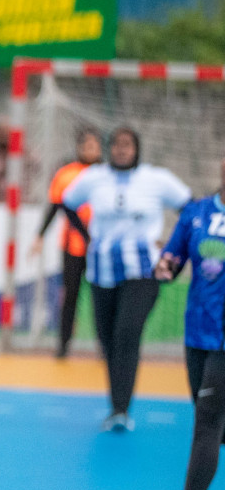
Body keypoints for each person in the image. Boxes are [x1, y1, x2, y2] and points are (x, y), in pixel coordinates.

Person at [62, 127, 192, 431]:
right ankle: (115, 405)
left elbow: (191, 208)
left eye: (128, 145)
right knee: (107, 339)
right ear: (109, 149)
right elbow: (66, 204)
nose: (122, 150)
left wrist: (172, 247)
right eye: (117, 145)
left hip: (142, 272)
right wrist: (87, 237)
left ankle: (121, 409)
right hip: (102, 271)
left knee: (126, 333)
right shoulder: (94, 178)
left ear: (137, 148)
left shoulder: (156, 180)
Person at [146, 161, 225, 490]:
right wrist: (163, 265)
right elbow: (172, 261)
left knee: (208, 423)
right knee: (215, 425)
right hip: (197, 334)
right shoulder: (197, 213)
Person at [33, 128, 102, 358]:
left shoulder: (107, 175)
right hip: (73, 246)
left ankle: (104, 345)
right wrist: (40, 235)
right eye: (87, 145)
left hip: (101, 249)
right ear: (80, 147)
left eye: (95, 145)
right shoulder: (66, 174)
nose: (91, 149)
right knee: (70, 295)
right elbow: (55, 206)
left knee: (102, 297)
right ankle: (63, 345)